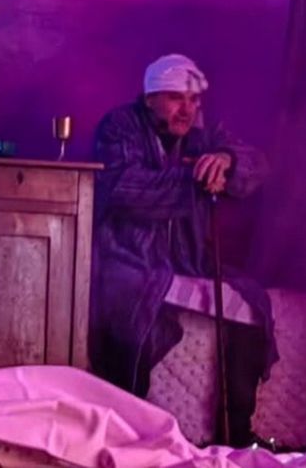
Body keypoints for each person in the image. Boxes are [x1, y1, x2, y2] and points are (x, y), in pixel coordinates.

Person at [90, 54, 274, 446]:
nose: (187, 110)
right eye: (176, 98)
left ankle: (237, 431)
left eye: (194, 100)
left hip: (188, 260)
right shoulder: (120, 126)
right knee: (132, 313)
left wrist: (226, 161)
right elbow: (124, 187)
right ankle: (126, 431)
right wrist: (196, 179)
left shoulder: (202, 133)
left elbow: (258, 165)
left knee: (252, 303)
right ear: (150, 98)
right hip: (129, 256)